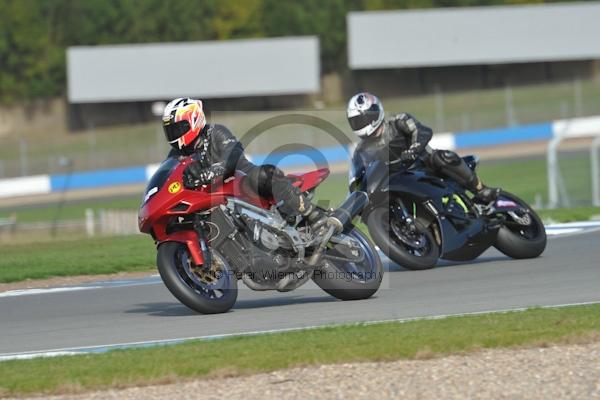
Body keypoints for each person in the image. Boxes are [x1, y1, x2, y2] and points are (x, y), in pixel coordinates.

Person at [161, 97, 324, 224]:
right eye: (170, 130)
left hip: (244, 183)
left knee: (263, 174)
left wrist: (208, 173)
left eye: (177, 128)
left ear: (194, 119)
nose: (174, 134)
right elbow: (168, 177)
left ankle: (312, 214)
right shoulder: (175, 155)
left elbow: (233, 155)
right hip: (211, 199)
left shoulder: (215, 132)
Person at [346, 92, 500, 203]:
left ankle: (480, 188)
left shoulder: (399, 121)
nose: (362, 123)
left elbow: (423, 131)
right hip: (396, 181)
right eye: (357, 120)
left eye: (364, 117)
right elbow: (356, 178)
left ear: (375, 112)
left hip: (425, 164)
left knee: (442, 157)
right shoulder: (360, 152)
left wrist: (413, 150)